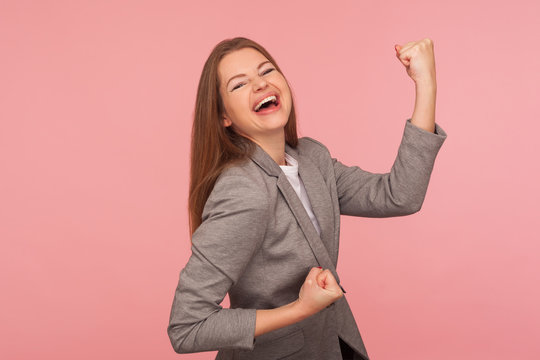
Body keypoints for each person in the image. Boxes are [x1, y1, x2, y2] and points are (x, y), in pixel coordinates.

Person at [167, 37, 447, 360]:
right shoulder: (243, 190)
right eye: (239, 84)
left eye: (266, 70)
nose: (261, 84)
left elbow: (400, 195)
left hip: (332, 346)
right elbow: (186, 325)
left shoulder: (312, 159)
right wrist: (300, 309)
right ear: (223, 117)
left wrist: (426, 84)